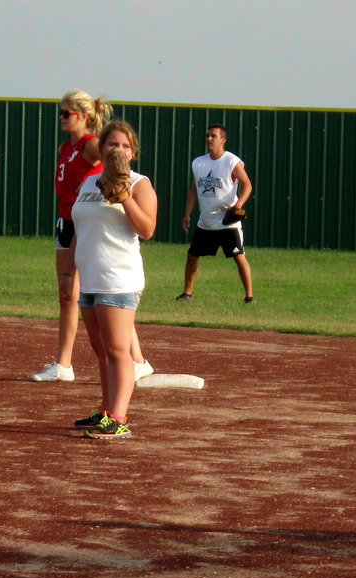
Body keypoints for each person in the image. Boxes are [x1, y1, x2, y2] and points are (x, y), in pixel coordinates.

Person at [31, 90, 152, 383]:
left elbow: (117, 166)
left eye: (66, 113)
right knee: (70, 294)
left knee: (107, 296)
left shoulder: (90, 144)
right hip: (72, 219)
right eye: (61, 112)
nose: (61, 117)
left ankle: (134, 360)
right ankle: (65, 362)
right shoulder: (66, 147)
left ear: (83, 116)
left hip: (93, 220)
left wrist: (119, 186)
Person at [69, 120, 157, 440]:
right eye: (111, 144)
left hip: (118, 277)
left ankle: (119, 418)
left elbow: (147, 229)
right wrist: (70, 273)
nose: (117, 149)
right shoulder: (90, 183)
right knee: (101, 349)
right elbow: (81, 229)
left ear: (132, 153)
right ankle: (106, 411)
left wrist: (124, 197)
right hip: (90, 278)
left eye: (123, 145)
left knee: (119, 349)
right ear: (101, 149)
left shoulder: (138, 183)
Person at [177, 124, 255, 303]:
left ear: (223, 140)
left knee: (239, 257)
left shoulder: (231, 161)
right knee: (192, 256)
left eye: (213, 136)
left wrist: (238, 205)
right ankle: (187, 293)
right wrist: (187, 213)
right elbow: (194, 189)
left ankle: (249, 296)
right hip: (206, 221)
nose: (209, 139)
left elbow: (247, 184)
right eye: (208, 136)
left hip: (228, 221)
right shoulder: (199, 162)